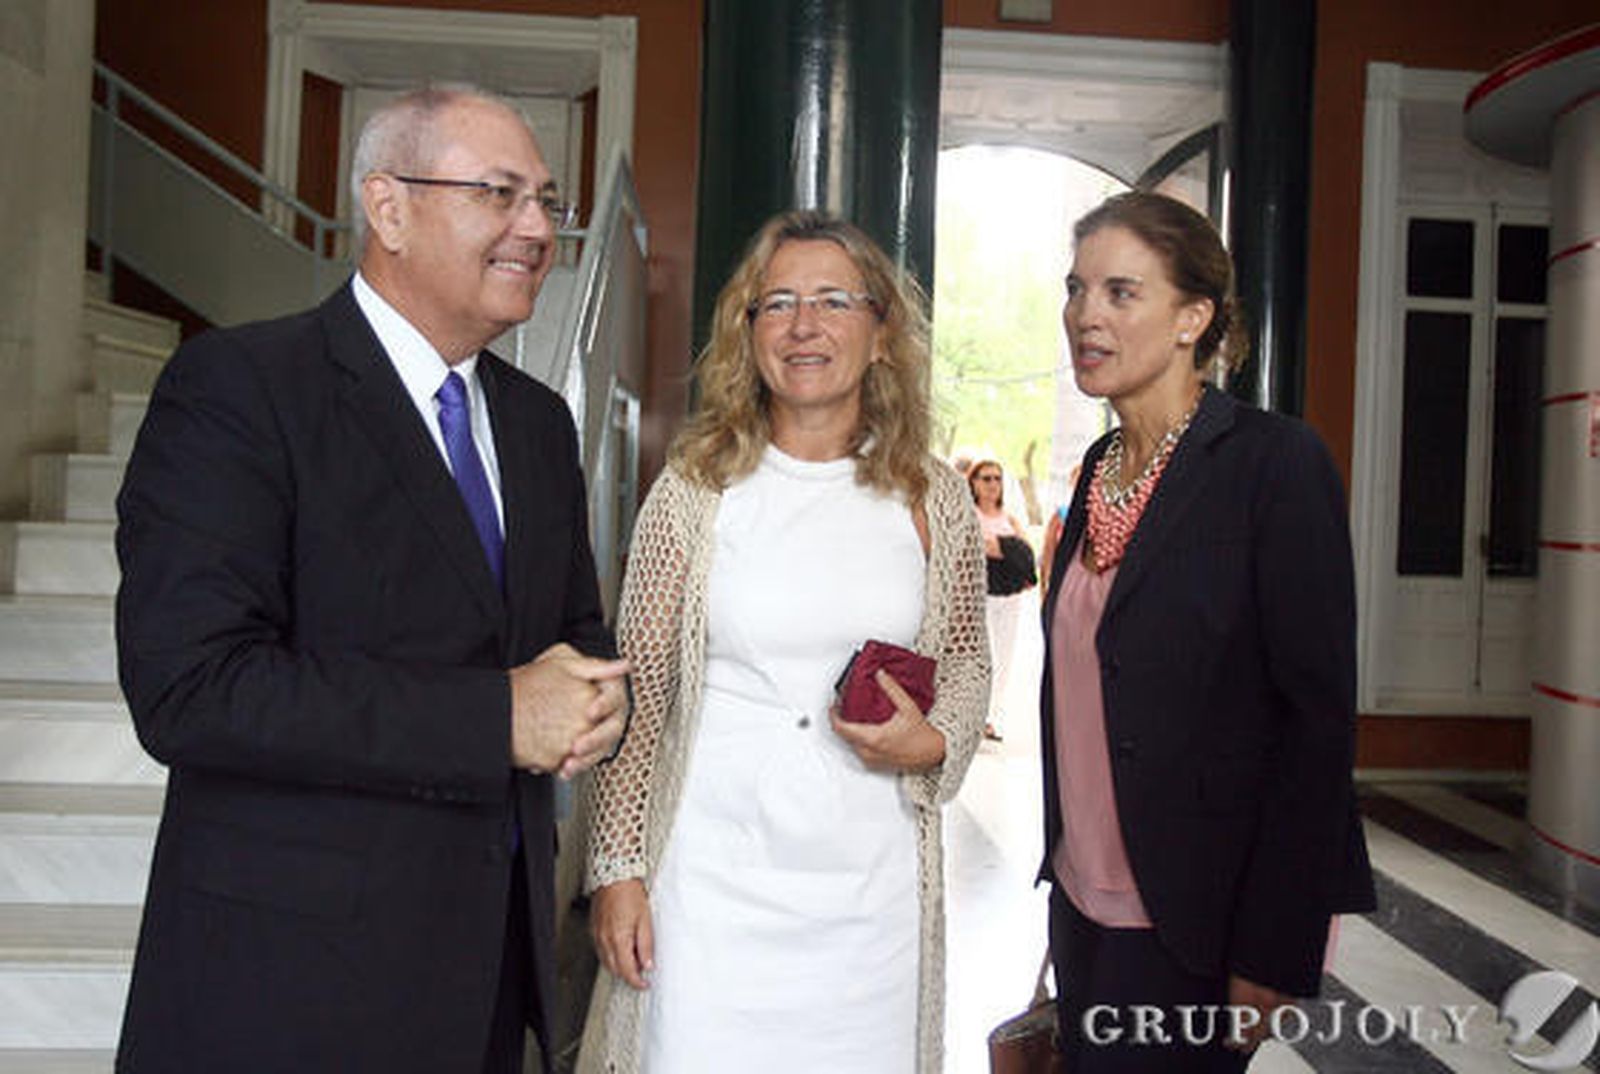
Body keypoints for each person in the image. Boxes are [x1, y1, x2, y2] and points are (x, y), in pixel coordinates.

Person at [113, 85, 631, 1074]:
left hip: (488, 984)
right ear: (386, 207)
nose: (537, 228)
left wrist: (596, 695)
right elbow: (192, 692)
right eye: (500, 193)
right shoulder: (239, 390)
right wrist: (498, 719)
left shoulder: (534, 423)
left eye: (547, 202)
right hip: (289, 991)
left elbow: (569, 630)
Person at [578, 210, 989, 1074]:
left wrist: (938, 736)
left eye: (835, 301)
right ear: (747, 333)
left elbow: (965, 663)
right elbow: (637, 699)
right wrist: (617, 869)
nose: (805, 326)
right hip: (709, 891)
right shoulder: (692, 492)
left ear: (882, 334)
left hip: (871, 901)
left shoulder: (934, 499)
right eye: (778, 304)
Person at [1038, 191, 1375, 1071]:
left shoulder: (1275, 464)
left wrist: (1272, 949)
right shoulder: (1098, 468)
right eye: (1076, 290)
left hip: (1194, 918)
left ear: (1193, 318)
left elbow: (1317, 724)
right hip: (1080, 901)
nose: (1085, 316)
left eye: (1121, 293)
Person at [969, 458, 1034, 741]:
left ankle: (991, 717)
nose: (993, 484)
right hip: (979, 597)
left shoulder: (1010, 519)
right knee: (983, 655)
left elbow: (1025, 555)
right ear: (974, 482)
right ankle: (975, 715)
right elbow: (979, 547)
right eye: (986, 478)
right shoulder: (968, 515)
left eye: (997, 478)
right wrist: (1008, 550)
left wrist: (1006, 549)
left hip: (1009, 597)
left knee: (1004, 658)